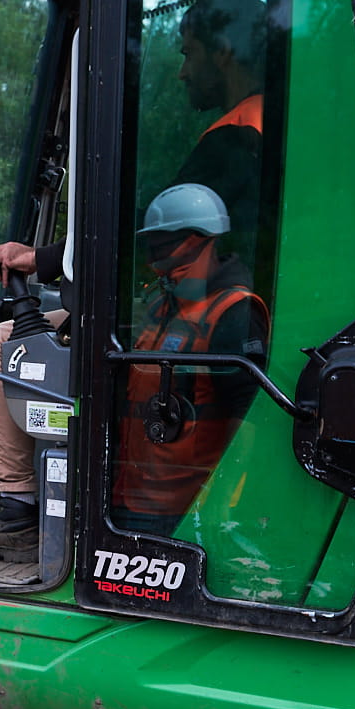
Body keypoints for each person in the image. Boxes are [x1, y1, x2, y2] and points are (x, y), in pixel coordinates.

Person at [0, 0, 268, 560]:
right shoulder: (265, 126)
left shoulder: (233, 139)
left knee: (1, 343)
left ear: (225, 51)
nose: (182, 72)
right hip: (190, 296)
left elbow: (148, 239)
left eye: (189, 54)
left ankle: (18, 506)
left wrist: (43, 260)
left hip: (176, 305)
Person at [110, 183, 268, 529]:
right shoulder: (159, 306)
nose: (153, 260)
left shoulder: (233, 313)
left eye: (163, 245)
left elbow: (248, 417)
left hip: (187, 511)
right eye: (152, 246)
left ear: (198, 241)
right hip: (133, 496)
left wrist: (220, 501)